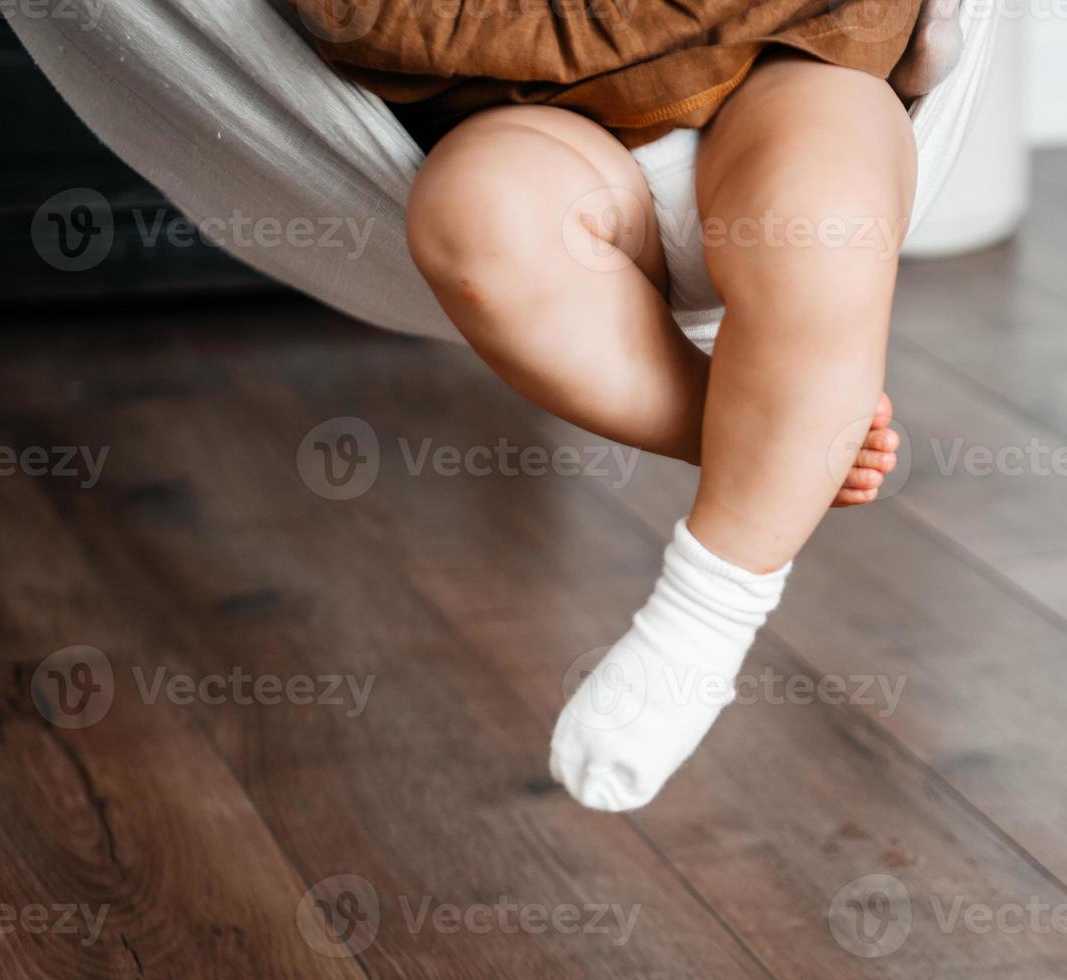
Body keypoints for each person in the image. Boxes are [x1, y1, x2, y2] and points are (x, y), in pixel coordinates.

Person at [299, 0, 964, 810]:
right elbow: (372, 21)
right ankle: (773, 435)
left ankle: (706, 612)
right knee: (480, 224)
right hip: (523, 115)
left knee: (821, 221)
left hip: (794, 60)